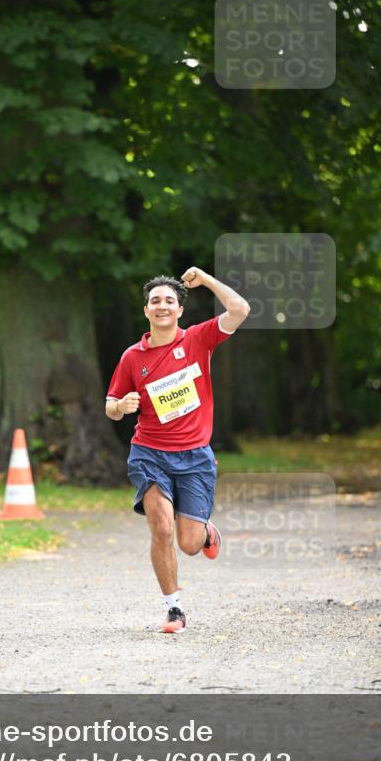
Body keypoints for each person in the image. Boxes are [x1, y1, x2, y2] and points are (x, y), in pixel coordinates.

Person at [105, 267, 250, 633]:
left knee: (188, 543)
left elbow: (240, 309)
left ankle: (205, 532)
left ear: (180, 310)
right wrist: (121, 407)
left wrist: (207, 281)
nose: (162, 306)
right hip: (149, 453)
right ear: (146, 310)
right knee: (161, 527)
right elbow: (110, 403)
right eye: (155, 301)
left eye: (170, 300)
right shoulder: (132, 357)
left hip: (195, 456)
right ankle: (174, 610)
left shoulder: (199, 340)